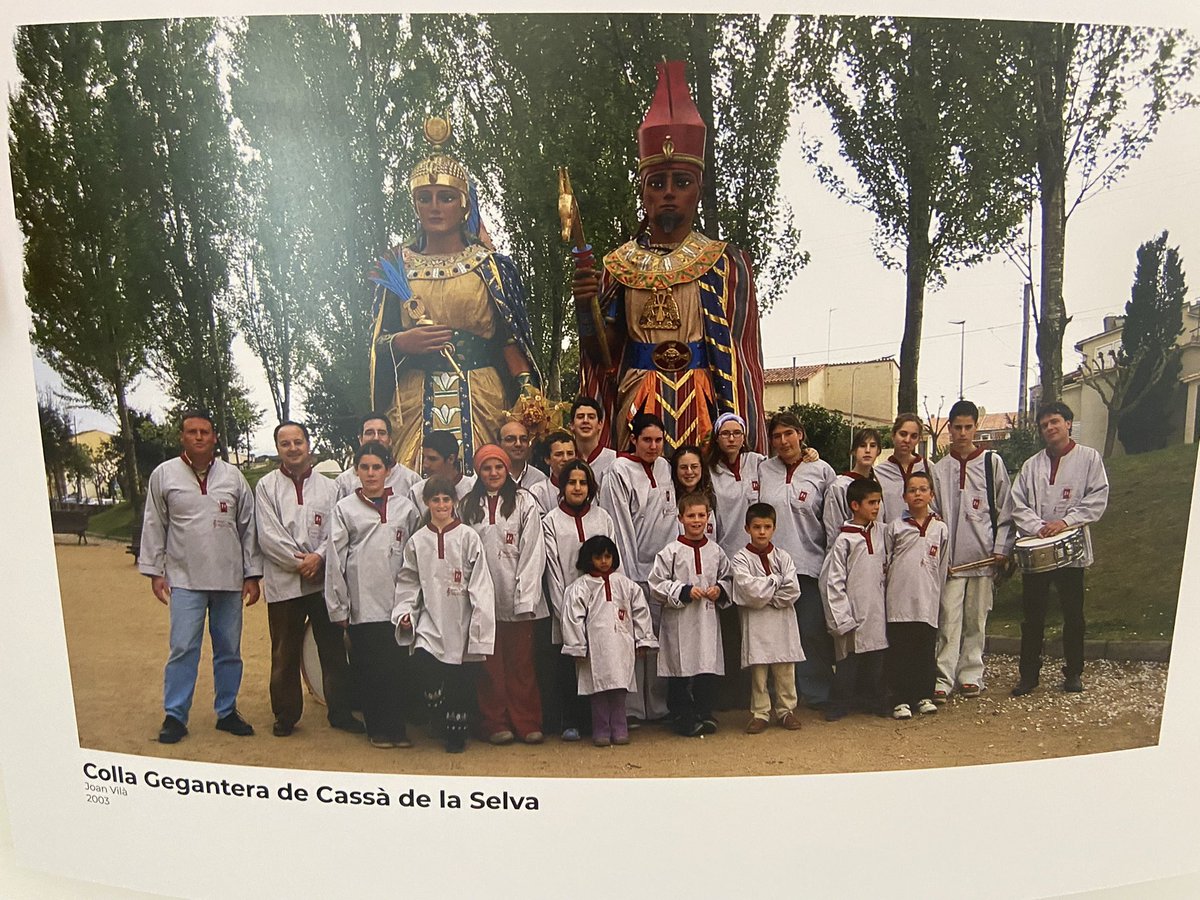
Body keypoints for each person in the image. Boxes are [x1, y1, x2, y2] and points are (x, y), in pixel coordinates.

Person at [572, 60, 766, 454]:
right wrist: (584, 307)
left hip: (703, 401)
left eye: (681, 182)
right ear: (643, 192)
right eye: (657, 183)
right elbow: (605, 358)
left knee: (701, 503)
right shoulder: (619, 265)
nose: (668, 192)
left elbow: (742, 363)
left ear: (698, 189)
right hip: (638, 401)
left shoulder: (726, 263)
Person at [369, 116, 540, 475]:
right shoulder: (396, 267)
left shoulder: (490, 267)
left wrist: (528, 395)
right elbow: (374, 343)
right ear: (414, 205)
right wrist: (402, 343)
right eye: (425, 198)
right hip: (414, 400)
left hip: (482, 395)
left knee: (490, 484)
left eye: (446, 197)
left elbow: (510, 339)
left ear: (464, 205)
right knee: (412, 488)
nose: (435, 207)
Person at [139, 409, 262, 744]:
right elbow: (154, 523)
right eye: (191, 431)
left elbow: (248, 527)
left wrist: (252, 575)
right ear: (182, 436)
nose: (198, 437)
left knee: (229, 649)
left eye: (204, 432)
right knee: (183, 648)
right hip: (185, 577)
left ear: (214, 437)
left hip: (228, 579)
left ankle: (227, 711)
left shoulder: (233, 478)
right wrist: (155, 570)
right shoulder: (164, 475)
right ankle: (175, 715)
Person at [255, 420, 361, 737]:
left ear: (308, 445)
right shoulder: (267, 487)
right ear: (278, 449)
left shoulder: (330, 488)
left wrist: (319, 557)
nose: (293, 448)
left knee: (332, 649)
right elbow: (268, 535)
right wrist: (298, 561)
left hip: (322, 580)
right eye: (285, 444)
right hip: (284, 582)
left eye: (298, 442)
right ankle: (285, 714)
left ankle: (340, 710)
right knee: (284, 651)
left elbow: (338, 531)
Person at [325, 442, 421, 748]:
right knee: (370, 670)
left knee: (397, 669)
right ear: (356, 471)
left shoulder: (405, 508)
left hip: (397, 604)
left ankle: (397, 729)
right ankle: (377, 729)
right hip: (363, 605)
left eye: (376, 467)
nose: (370, 473)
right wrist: (339, 607)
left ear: (388, 470)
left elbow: (417, 554)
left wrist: (414, 604)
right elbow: (335, 561)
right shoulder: (345, 509)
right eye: (364, 467)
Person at [1010, 402, 1109, 696]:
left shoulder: (1089, 459)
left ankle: (1074, 672)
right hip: (1039, 551)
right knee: (1033, 616)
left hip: (1071, 550)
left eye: (1055, 422)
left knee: (1073, 614)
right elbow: (1018, 504)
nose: (1050, 428)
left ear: (1068, 423)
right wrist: (1039, 526)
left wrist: (1065, 521)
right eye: (1044, 425)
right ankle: (1028, 675)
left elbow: (1097, 499)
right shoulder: (1032, 465)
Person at [394, 477, 497, 753]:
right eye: (435, 499)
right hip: (430, 615)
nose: (441, 505)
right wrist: (405, 611)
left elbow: (479, 581)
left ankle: (455, 733)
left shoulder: (467, 537)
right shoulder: (418, 541)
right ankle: (433, 703)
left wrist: (480, 616)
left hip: (461, 616)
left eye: (446, 499)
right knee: (425, 662)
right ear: (427, 502)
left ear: (454, 502)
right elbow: (409, 580)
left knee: (458, 678)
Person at [460, 444, 547, 745]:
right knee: (489, 666)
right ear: (478, 471)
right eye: (487, 467)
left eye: (498, 467)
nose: (493, 473)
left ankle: (527, 721)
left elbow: (534, 550)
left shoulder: (524, 502)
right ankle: (494, 722)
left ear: (507, 469)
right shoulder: (468, 505)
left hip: (517, 595)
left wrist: (526, 596)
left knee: (521, 665)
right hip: (482, 599)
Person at [930, 399, 1014, 702]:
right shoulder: (940, 470)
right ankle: (943, 677)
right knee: (948, 619)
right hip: (952, 563)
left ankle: (971, 674)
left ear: (975, 427)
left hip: (984, 557)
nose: (963, 433)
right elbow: (934, 513)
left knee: (976, 620)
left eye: (968, 427)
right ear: (949, 429)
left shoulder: (992, 463)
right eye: (957, 428)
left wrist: (1002, 548)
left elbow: (1006, 510)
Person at [596, 412, 676, 722]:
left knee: (657, 640)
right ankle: (631, 709)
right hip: (632, 569)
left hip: (663, 570)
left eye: (658, 440)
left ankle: (657, 706)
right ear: (634, 439)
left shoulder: (666, 467)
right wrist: (626, 576)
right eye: (647, 440)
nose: (653, 446)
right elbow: (619, 525)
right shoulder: (620, 470)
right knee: (631, 641)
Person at [756, 411, 837, 710]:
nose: (783, 440)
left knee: (810, 630)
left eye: (789, 433)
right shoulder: (764, 470)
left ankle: (816, 692)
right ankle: (778, 697)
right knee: (774, 635)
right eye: (776, 436)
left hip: (808, 564)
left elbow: (831, 521)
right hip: (771, 568)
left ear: (801, 434)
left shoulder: (822, 470)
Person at [541, 460, 615, 741]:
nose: (577, 487)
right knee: (568, 666)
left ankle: (595, 721)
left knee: (598, 662)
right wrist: (566, 613)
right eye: (572, 482)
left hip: (600, 606)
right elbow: (553, 569)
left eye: (583, 482)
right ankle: (569, 719)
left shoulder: (602, 518)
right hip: (566, 607)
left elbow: (611, 560)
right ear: (563, 486)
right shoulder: (551, 521)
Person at [560, 536, 658, 747]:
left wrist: (642, 640)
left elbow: (641, 611)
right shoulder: (581, 587)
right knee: (598, 690)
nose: (604, 561)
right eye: (598, 557)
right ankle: (602, 730)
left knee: (619, 688)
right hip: (594, 648)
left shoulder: (626, 585)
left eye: (607, 556)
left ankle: (620, 727)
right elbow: (572, 617)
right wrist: (577, 645)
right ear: (588, 559)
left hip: (621, 644)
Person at [649, 492, 732, 737]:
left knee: (706, 665)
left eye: (701, 516)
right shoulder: (671, 552)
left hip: (706, 619)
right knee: (681, 667)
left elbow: (728, 578)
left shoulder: (716, 551)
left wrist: (720, 589)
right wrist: (683, 590)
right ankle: (682, 715)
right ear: (681, 518)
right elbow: (656, 584)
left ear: (709, 518)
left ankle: (704, 712)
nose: (696, 521)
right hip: (680, 620)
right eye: (691, 515)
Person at [729, 502, 804, 734]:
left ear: (774, 528)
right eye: (757, 527)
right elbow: (748, 590)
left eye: (767, 527)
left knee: (784, 669)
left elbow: (793, 590)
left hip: (782, 623)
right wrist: (775, 581)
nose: (762, 532)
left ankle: (786, 710)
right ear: (747, 528)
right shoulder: (740, 559)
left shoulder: (784, 557)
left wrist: (766, 596)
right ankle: (760, 712)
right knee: (759, 671)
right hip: (757, 624)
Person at [819, 478, 888, 722]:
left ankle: (873, 700)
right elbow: (833, 582)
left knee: (875, 661)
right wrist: (841, 616)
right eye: (871, 503)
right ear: (855, 505)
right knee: (848, 662)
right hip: (852, 610)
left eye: (878, 502)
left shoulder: (881, 532)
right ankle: (839, 703)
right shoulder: (844, 540)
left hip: (876, 608)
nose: (876, 507)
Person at [883, 472, 949, 720]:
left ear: (932, 494)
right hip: (899, 602)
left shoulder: (940, 528)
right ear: (904, 496)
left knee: (924, 650)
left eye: (923, 489)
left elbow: (942, 565)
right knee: (900, 651)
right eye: (912, 490)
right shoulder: (895, 527)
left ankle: (923, 695)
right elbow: (887, 562)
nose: (918, 494)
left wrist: (937, 595)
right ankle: (900, 699)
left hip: (927, 601)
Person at [334, 412, 421, 502]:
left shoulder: (411, 480)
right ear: (360, 440)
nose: (376, 438)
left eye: (382, 433)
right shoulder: (343, 483)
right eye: (369, 433)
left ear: (390, 440)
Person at [823, 428, 883, 551]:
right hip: (849, 554)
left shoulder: (879, 484)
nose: (867, 450)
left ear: (878, 451)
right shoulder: (839, 487)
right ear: (854, 451)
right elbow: (834, 530)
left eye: (872, 446)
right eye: (862, 446)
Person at [875, 414, 929, 523]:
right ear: (893, 435)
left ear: (919, 439)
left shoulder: (929, 468)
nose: (907, 440)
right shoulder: (878, 473)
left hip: (922, 536)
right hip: (890, 536)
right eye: (903, 434)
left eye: (913, 436)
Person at [408, 430, 476, 510]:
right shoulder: (417, 492)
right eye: (424, 458)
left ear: (451, 459)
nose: (425, 465)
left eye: (432, 459)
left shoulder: (473, 489)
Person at [670, 444, 716, 540]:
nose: (689, 472)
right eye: (683, 467)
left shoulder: (712, 497)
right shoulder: (671, 501)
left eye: (694, 466)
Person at [568, 396, 616, 487]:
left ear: (600, 424)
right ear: (572, 425)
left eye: (591, 417)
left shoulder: (615, 460)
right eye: (580, 417)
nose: (585, 421)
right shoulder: (565, 460)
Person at [529, 429, 576, 513]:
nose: (565, 459)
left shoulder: (585, 488)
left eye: (570, 453)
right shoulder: (538, 491)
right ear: (547, 459)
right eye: (559, 454)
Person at [499, 418, 548, 492]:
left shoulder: (540, 479)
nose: (518, 444)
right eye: (510, 439)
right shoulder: (488, 477)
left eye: (523, 439)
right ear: (499, 444)